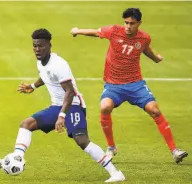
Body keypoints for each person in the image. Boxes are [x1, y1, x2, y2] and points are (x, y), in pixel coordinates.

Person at [0, 28, 125, 182]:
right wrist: (33, 86)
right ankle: (17, 157)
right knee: (26, 124)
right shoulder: (41, 61)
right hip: (57, 105)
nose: (37, 49)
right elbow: (45, 75)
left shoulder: (59, 65)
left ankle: (115, 173)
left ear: (49, 45)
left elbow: (70, 92)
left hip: (73, 105)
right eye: (35, 46)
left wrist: (61, 116)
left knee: (81, 140)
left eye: (41, 46)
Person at [70, 8, 188, 163]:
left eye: (132, 23)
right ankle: (111, 147)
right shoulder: (114, 31)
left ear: (139, 23)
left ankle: (174, 150)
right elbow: (95, 32)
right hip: (113, 85)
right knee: (105, 107)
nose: (128, 26)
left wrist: (156, 59)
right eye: (126, 22)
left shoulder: (144, 38)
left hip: (135, 84)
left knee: (154, 110)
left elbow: (146, 49)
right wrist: (77, 30)